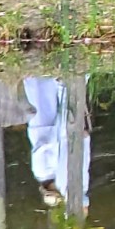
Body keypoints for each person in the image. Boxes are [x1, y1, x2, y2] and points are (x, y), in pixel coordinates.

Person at [23, 76, 91, 210]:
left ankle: (36, 76)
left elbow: (41, 148)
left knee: (41, 96)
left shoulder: (41, 173)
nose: (55, 188)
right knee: (58, 101)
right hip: (55, 134)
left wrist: (57, 141)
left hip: (43, 130)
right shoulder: (60, 178)